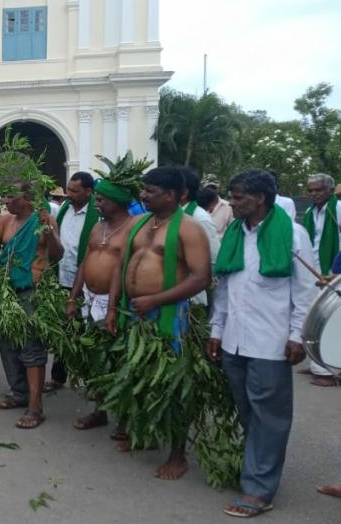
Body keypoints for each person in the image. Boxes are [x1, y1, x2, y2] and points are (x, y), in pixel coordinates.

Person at [209, 169, 314, 518]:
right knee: (249, 413)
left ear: (261, 199)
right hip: (234, 342)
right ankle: (258, 468)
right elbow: (225, 288)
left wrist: (298, 335)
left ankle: (258, 490)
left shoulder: (292, 235)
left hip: (271, 342)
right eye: (232, 195)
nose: (232, 202)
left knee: (270, 417)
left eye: (238, 196)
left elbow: (305, 292)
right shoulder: (235, 233)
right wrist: (216, 329)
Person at [111, 166, 211, 480]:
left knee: (173, 382)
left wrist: (156, 300)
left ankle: (178, 455)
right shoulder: (139, 222)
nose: (143, 195)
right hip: (134, 313)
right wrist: (113, 307)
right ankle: (145, 433)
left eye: (150, 191)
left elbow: (201, 278)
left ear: (170, 195)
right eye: (144, 189)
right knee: (139, 375)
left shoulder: (190, 229)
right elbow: (120, 266)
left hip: (169, 314)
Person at [0, 181, 62, 429]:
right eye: (4, 196)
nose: (5, 201)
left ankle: (35, 407)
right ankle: (19, 393)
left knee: (31, 348)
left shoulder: (43, 220)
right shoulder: (6, 221)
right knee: (8, 344)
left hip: (32, 292)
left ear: (26, 198)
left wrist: (50, 233)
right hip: (7, 291)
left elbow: (57, 255)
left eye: (10, 196)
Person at [66, 168, 141, 432]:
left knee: (119, 360)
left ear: (117, 201)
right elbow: (85, 263)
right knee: (96, 358)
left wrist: (113, 307)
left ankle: (125, 418)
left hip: (117, 303)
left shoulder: (134, 228)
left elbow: (127, 268)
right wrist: (73, 297)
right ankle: (100, 410)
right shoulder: (98, 227)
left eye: (100, 200)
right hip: (91, 299)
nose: (96, 203)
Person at [51, 172, 99, 392]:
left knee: (84, 331)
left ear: (88, 192)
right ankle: (58, 376)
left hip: (84, 283)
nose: (69, 194)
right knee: (61, 330)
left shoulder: (97, 214)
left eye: (74, 191)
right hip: (60, 278)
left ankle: (89, 379)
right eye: (68, 189)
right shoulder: (64, 209)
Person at [302, 173, 341, 387]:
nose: (314, 194)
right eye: (311, 190)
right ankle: (317, 364)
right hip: (314, 271)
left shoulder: (340, 209)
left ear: (330, 190)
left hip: (334, 272)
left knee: (333, 321)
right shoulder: (310, 212)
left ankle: (331, 371)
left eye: (319, 190)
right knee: (315, 319)